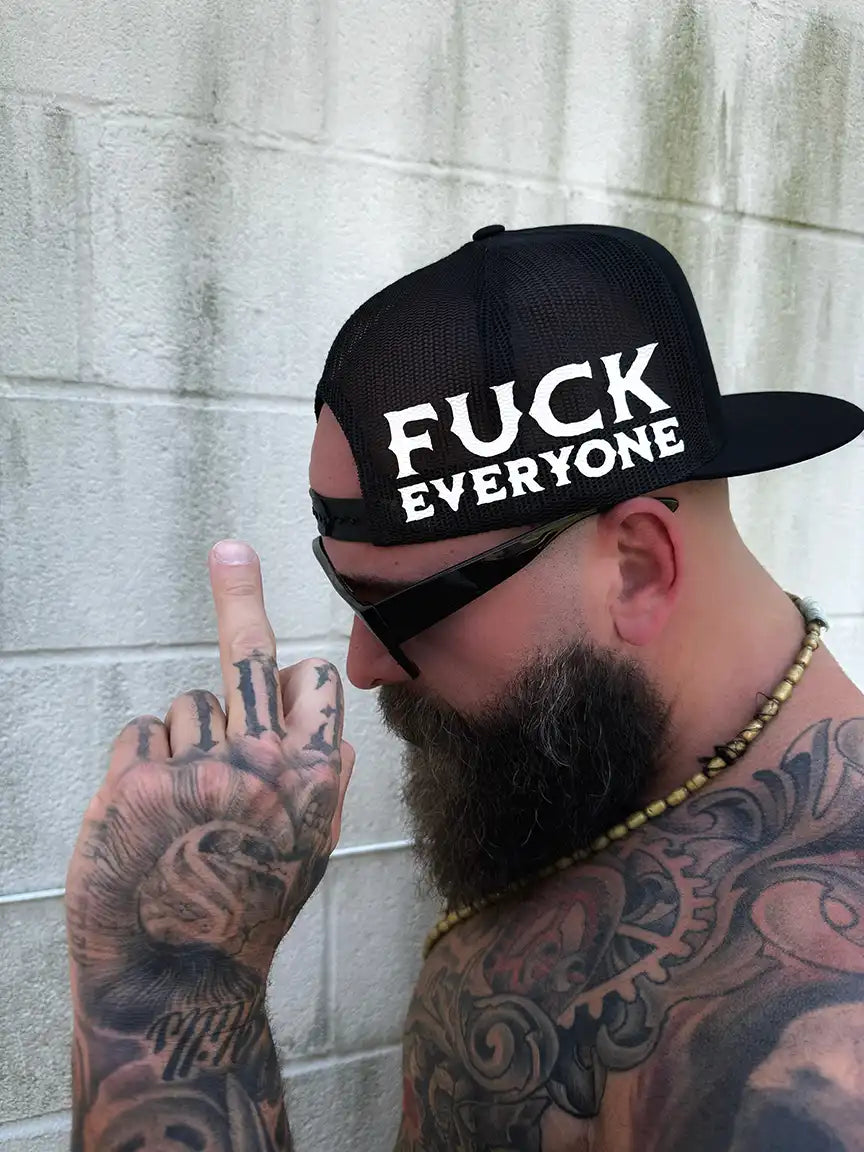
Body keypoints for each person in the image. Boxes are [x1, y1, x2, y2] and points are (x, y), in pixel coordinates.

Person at [65, 224, 864, 1151]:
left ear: (639, 569)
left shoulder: (816, 1055)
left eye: (402, 608)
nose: (362, 666)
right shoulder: (602, 779)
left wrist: (169, 977)